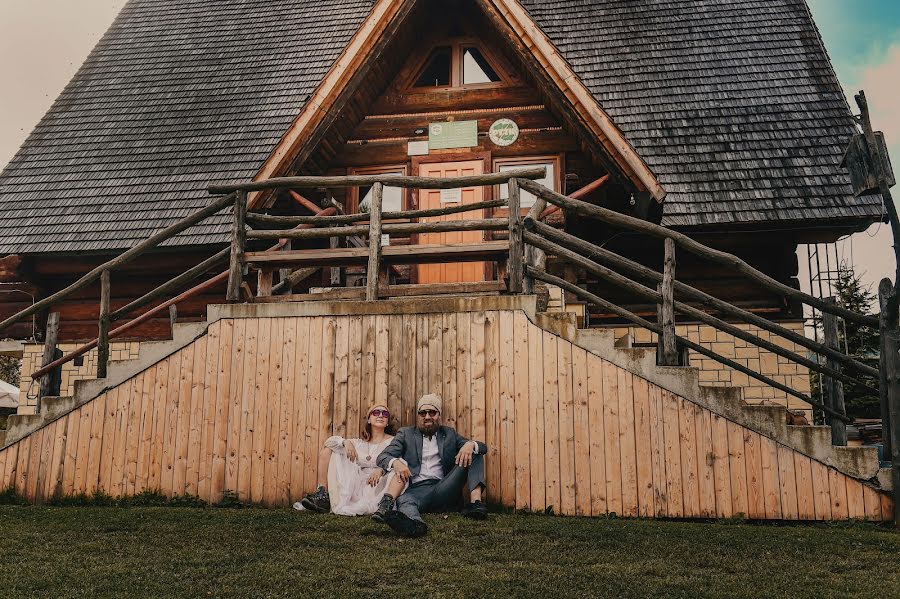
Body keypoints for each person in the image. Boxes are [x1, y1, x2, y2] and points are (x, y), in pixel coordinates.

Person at [372, 393, 488, 537]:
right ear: (418, 416)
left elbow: (483, 447)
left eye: (432, 412)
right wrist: (395, 462)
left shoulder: (449, 433)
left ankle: (475, 504)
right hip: (417, 490)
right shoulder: (405, 433)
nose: (427, 416)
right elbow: (383, 456)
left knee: (474, 451)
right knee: (404, 500)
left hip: (445, 486)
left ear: (438, 415)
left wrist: (471, 444)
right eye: (423, 412)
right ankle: (415, 525)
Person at [296, 404, 400, 516]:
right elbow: (329, 442)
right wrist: (345, 442)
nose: (380, 415)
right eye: (376, 412)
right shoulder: (359, 443)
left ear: (387, 421)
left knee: (398, 470)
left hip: (378, 485)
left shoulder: (393, 441)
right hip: (355, 486)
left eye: (384, 414)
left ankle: (384, 505)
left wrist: (381, 469)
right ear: (369, 419)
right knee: (329, 450)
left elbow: (400, 460)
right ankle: (322, 495)